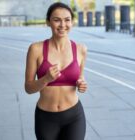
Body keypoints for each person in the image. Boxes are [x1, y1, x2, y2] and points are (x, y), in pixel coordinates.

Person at [24, 2, 88, 140]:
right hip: (46, 118)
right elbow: (28, 88)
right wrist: (46, 79)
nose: (62, 25)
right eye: (56, 20)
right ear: (48, 22)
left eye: (67, 20)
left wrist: (81, 84)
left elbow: (80, 78)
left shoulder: (81, 49)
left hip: (74, 116)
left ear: (72, 22)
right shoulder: (36, 49)